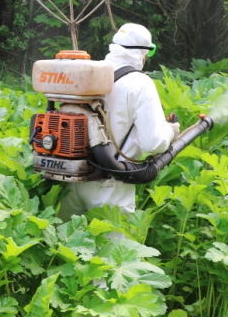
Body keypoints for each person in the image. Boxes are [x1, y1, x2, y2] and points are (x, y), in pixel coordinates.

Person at [58, 23, 180, 226]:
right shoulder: (140, 83)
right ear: (145, 52)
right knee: (113, 256)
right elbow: (153, 143)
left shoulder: (88, 74)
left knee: (64, 249)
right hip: (111, 187)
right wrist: (171, 132)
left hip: (71, 180)